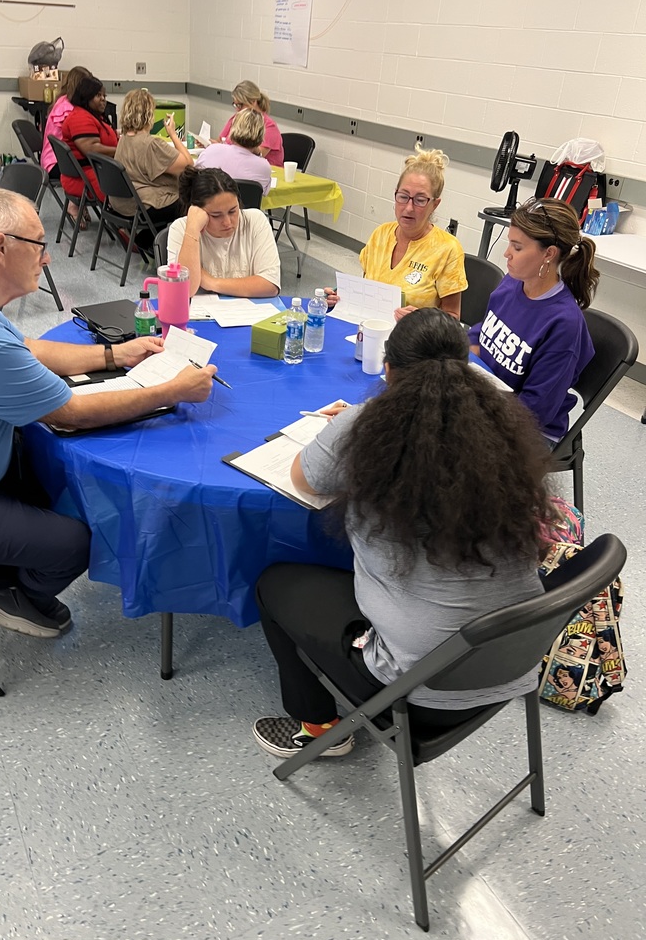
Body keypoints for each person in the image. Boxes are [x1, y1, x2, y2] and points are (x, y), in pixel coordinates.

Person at [0, 188, 216, 641]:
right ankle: (12, 592)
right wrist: (171, 390)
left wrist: (115, 354)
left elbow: (28, 348)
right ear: (0, 246)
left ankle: (7, 561)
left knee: (43, 466)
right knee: (75, 540)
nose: (48, 258)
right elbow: (73, 412)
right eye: (38, 244)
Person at [252, 307, 556, 759]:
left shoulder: (365, 426)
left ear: (389, 369)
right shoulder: (501, 428)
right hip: (513, 657)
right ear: (466, 364)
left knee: (273, 583)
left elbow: (303, 479)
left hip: (420, 686)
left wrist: (344, 424)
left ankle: (317, 726)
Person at [468, 197, 597, 443]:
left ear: (548, 254)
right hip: (487, 398)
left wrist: (475, 413)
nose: (507, 254)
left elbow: (536, 409)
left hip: (529, 428)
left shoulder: (564, 324)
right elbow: (482, 332)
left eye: (517, 247)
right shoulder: (513, 281)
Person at [327, 144, 467, 318]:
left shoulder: (447, 249)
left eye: (420, 200)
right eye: (403, 197)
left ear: (435, 204)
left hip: (416, 341)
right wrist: (340, 297)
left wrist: (421, 319)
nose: (408, 208)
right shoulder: (381, 234)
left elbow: (453, 317)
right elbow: (367, 291)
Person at [168, 166, 280, 297]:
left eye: (233, 211)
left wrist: (212, 282)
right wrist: (192, 230)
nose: (227, 222)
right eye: (216, 215)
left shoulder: (255, 221)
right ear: (197, 211)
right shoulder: (181, 229)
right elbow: (182, 292)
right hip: (198, 314)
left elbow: (270, 285)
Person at [110, 89, 191, 233]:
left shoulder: (123, 139)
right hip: (142, 207)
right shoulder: (151, 144)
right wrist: (173, 133)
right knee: (193, 200)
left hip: (122, 203)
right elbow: (188, 165)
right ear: (149, 114)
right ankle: (157, 242)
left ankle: (145, 239)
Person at [60, 75, 118, 222]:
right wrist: (122, 150)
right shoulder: (80, 118)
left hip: (94, 173)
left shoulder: (89, 115)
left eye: (104, 95)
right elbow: (91, 149)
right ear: (86, 97)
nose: (103, 99)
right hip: (88, 179)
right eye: (98, 95)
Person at [195, 109, 272, 195]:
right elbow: (262, 194)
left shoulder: (211, 150)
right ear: (261, 134)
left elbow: (194, 177)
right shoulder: (264, 167)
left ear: (233, 128)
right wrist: (259, 154)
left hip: (206, 206)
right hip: (242, 208)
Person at [39, 65, 92, 178]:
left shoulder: (63, 101)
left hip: (51, 160)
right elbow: (80, 136)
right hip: (56, 164)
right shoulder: (67, 109)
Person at [216, 81, 284, 167]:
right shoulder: (235, 119)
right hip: (238, 165)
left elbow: (257, 155)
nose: (237, 109)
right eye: (235, 105)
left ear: (253, 102)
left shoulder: (269, 126)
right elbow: (220, 140)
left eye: (240, 105)